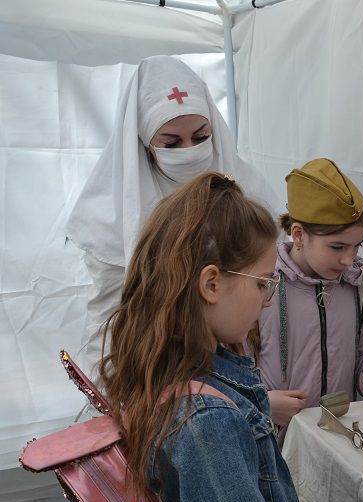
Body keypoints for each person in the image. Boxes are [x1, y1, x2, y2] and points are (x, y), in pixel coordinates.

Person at [100, 172, 306, 502]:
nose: (267, 301)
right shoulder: (209, 424)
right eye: (262, 283)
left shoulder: (171, 372)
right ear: (211, 284)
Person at [67, 55, 278, 379]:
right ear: (145, 144)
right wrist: (110, 391)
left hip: (233, 361)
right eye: (171, 142)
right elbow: (110, 319)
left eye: (201, 136)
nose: (189, 149)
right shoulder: (110, 214)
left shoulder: (249, 187)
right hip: (160, 369)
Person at [257, 158, 363, 502]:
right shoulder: (262, 286)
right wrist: (263, 404)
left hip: (328, 451)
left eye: (356, 246)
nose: (348, 259)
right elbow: (229, 367)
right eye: (337, 247)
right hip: (271, 451)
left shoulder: (356, 288)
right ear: (298, 234)